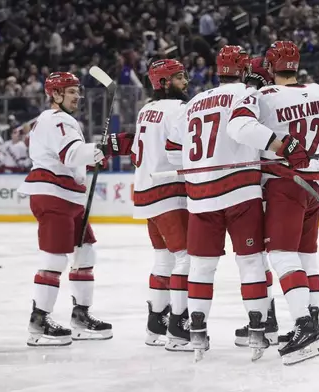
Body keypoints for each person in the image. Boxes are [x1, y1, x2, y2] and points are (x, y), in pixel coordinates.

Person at [229, 41, 319, 365]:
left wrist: (276, 138)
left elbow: (239, 128)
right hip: (315, 186)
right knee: (307, 257)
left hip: (284, 184)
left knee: (281, 255)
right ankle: (312, 318)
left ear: (270, 65)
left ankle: (305, 328)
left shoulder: (264, 98)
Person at [167, 46, 272, 362]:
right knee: (251, 262)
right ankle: (257, 330)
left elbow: (174, 151)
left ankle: (197, 333)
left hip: (200, 196)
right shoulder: (246, 93)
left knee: (201, 266)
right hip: (240, 193)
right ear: (242, 70)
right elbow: (254, 135)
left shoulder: (194, 102)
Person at [17, 72, 112, 347]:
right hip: (53, 196)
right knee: (54, 259)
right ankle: (39, 322)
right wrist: (99, 149)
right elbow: (70, 154)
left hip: (69, 197)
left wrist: (94, 155)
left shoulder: (57, 120)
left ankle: (80, 316)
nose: (77, 97)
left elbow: (73, 158)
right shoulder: (57, 119)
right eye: (71, 92)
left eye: (77, 92)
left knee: (85, 253)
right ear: (55, 95)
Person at [104, 59, 192, 351]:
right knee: (186, 259)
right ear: (164, 82)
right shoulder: (179, 109)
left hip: (145, 193)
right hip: (168, 191)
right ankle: (179, 327)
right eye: (179, 77)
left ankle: (157, 324)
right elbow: (181, 151)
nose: (186, 81)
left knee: (164, 260)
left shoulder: (147, 110)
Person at [233, 56, 280, 348]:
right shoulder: (269, 99)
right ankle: (266, 318)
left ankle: (266, 321)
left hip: (257, 188)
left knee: (256, 259)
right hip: (263, 188)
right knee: (259, 259)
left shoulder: (255, 99)